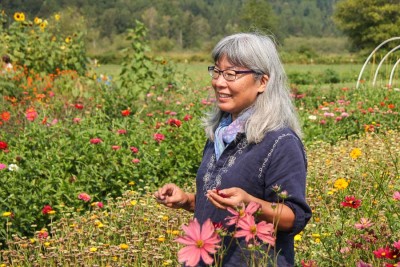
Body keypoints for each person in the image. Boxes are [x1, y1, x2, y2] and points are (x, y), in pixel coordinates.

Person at [154, 32, 311, 267]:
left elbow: (294, 217)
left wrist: (250, 204)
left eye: (232, 74)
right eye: (217, 71)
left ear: (262, 82)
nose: (219, 82)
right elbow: (222, 204)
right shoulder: (221, 133)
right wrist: (186, 200)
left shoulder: (280, 141)